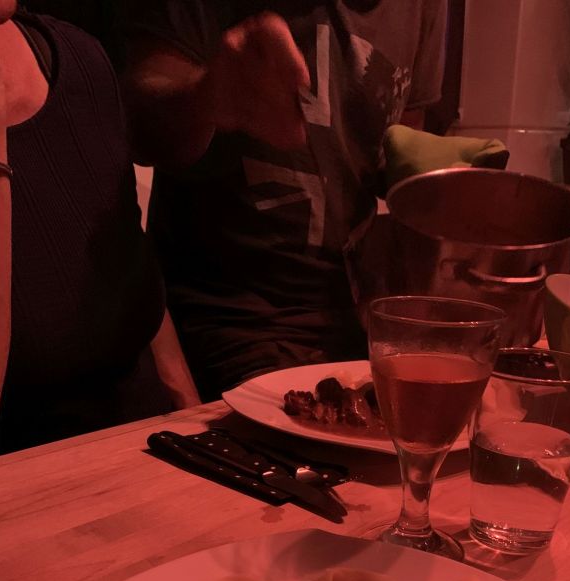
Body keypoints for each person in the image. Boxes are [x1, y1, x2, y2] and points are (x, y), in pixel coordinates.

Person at [116, 0, 449, 402]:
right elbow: (138, 128)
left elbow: (400, 149)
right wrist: (209, 95)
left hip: (351, 322)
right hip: (231, 321)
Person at [0, 0, 197, 475]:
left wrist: (197, 426)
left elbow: (128, 273)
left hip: (151, 464)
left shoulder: (77, 55)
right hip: (23, 495)